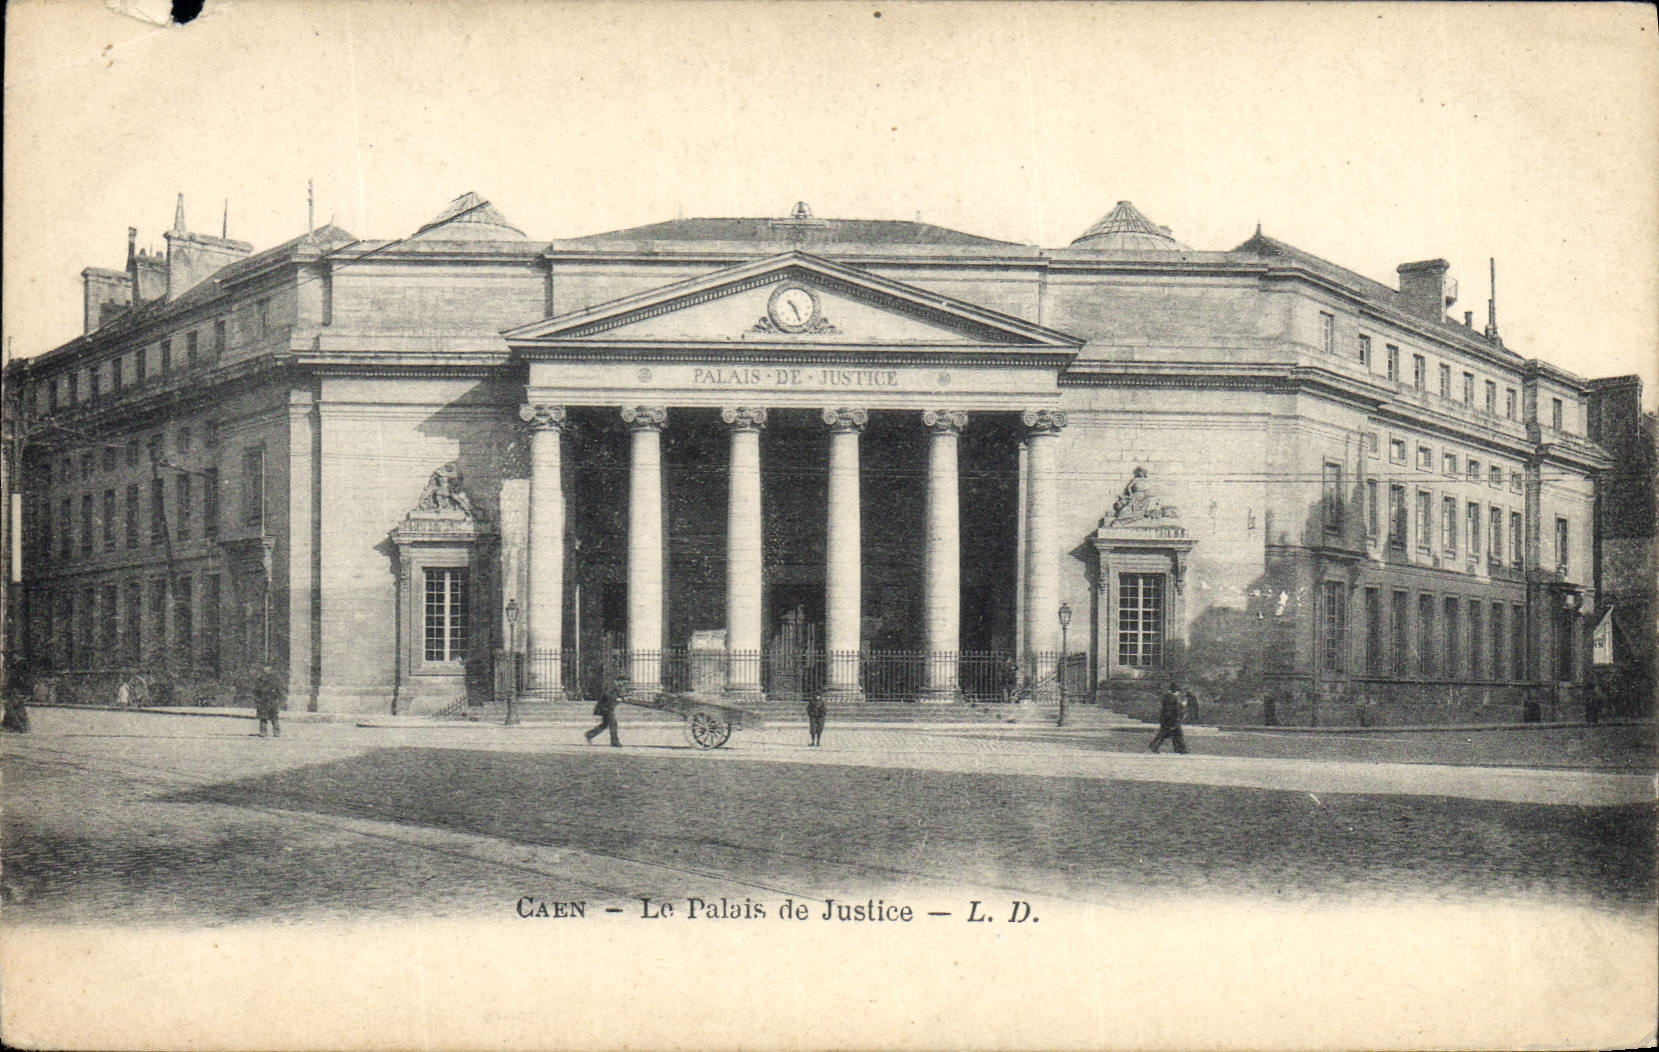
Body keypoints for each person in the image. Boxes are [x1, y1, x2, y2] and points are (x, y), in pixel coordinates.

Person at [585, 669, 625, 747]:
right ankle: (614, 742)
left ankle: (589, 734)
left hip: (608, 707)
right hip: (606, 708)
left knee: (605, 724)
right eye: (623, 682)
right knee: (613, 724)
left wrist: (621, 698)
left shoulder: (615, 686)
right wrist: (616, 699)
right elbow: (607, 695)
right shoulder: (612, 686)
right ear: (619, 680)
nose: (623, 684)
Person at [1148, 678, 1188, 754]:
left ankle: (1180, 749)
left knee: (1171, 735)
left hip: (1168, 720)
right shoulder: (1173, 698)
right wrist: (1174, 721)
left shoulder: (1168, 697)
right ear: (1177, 691)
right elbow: (1174, 711)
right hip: (1171, 721)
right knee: (1173, 735)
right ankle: (1181, 750)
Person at [252, 665, 284, 737]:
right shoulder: (260, 679)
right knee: (263, 717)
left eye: (267, 669)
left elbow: (279, 690)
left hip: (272, 700)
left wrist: (279, 699)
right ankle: (263, 731)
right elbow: (255, 690)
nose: (266, 671)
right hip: (263, 700)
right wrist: (257, 699)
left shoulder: (275, 680)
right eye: (264, 670)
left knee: (274, 717)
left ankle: (276, 732)